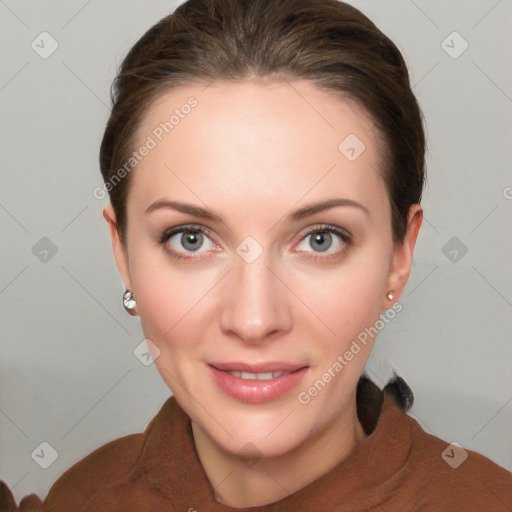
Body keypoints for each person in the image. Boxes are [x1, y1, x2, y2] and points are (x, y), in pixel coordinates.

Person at [1, 0, 511, 510]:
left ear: (400, 255)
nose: (254, 319)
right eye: (191, 238)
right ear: (123, 251)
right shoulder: (81, 497)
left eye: (320, 239)